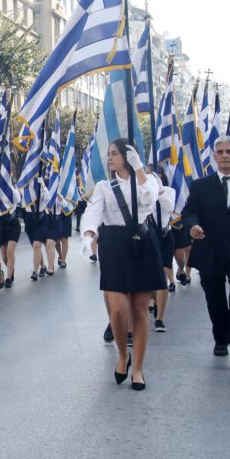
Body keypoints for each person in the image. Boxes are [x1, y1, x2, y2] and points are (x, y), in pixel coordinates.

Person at [79, 139, 164, 391]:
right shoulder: (105, 186)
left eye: (115, 153)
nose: (110, 158)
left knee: (139, 310)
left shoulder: (147, 181)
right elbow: (93, 211)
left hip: (142, 242)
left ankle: (137, 367)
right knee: (117, 310)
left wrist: (139, 170)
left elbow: (151, 200)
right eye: (109, 154)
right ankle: (122, 355)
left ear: (129, 155)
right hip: (115, 244)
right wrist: (88, 235)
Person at [181, 136, 230, 373]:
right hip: (209, 250)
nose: (225, 156)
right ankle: (221, 337)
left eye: (229, 151)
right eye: (220, 152)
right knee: (215, 299)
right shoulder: (200, 186)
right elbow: (189, 213)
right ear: (214, 157)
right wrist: (192, 226)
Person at [150, 171, 176, 333]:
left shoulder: (168, 191)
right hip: (150, 235)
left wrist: (159, 190)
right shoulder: (143, 192)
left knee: (162, 276)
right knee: (149, 275)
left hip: (166, 235)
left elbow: (169, 207)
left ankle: (160, 318)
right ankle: (152, 301)